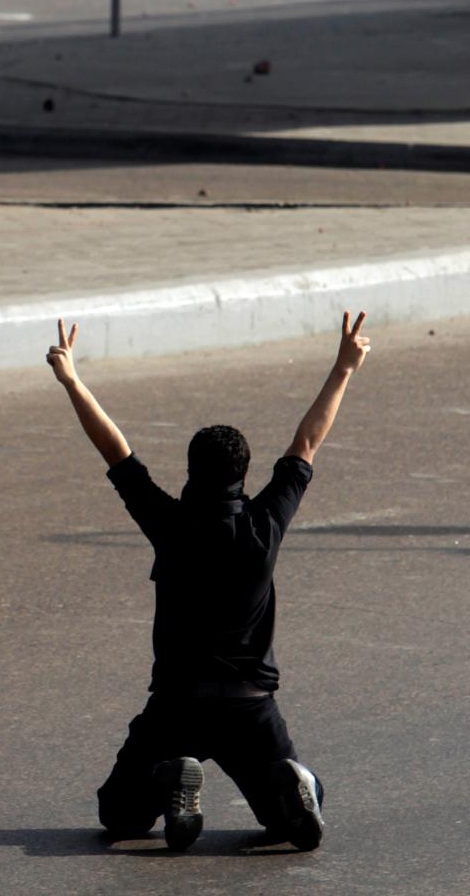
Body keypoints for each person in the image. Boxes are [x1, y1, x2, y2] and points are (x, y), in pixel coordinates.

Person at [45, 310, 372, 850]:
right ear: (244, 475)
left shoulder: (169, 523)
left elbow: (117, 453)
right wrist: (343, 367)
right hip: (251, 706)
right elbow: (306, 443)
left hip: (177, 705)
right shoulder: (265, 523)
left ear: (191, 472)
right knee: (283, 820)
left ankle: (172, 776)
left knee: (120, 815)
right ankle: (297, 783)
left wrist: (72, 381)